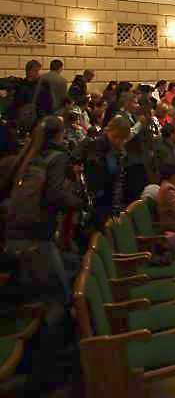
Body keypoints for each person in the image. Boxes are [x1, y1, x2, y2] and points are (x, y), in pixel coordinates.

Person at [5, 115, 83, 303]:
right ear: (60, 134)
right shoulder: (57, 157)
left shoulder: (27, 156)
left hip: (14, 231)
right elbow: (54, 195)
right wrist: (78, 202)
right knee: (61, 298)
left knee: (73, 263)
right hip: (36, 235)